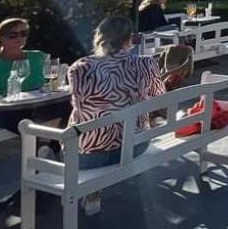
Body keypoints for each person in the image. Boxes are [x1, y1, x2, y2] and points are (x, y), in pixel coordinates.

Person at [68, 16, 166, 215]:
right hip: (135, 147)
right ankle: (92, 193)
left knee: (77, 131)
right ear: (129, 39)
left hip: (89, 157)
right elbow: (159, 98)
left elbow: (79, 109)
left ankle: (92, 194)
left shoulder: (79, 67)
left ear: (98, 36)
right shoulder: (146, 63)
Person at [0, 18, 71, 140]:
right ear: (1, 37)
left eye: (23, 34)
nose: (19, 38)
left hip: (41, 105)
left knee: (70, 105)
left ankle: (48, 144)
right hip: (9, 109)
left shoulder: (37, 56)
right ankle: (44, 144)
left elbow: (51, 80)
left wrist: (57, 82)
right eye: (13, 35)